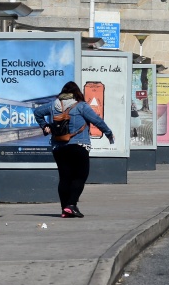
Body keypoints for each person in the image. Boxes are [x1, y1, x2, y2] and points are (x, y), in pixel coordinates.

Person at [34, 81, 114, 219]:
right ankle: (71, 205)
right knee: (80, 176)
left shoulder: (54, 105)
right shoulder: (81, 106)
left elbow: (37, 112)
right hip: (78, 145)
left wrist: (45, 125)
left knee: (64, 177)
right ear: (77, 93)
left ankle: (65, 209)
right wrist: (108, 133)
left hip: (58, 146)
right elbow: (97, 120)